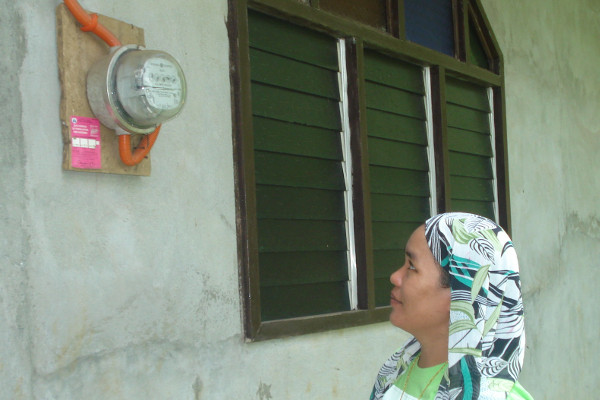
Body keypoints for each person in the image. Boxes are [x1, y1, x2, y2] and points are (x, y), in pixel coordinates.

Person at [370, 212, 533, 400]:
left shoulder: (487, 395)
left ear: (463, 294)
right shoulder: (395, 370)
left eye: (412, 266)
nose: (395, 277)